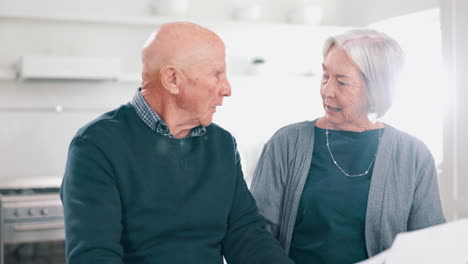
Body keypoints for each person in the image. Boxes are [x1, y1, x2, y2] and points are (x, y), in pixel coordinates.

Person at [61, 22, 294, 264]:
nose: (227, 89)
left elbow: (247, 236)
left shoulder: (222, 144)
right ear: (172, 79)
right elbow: (95, 256)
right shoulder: (96, 145)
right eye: (217, 74)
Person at [250, 28, 446, 264]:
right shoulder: (287, 143)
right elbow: (257, 235)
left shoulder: (413, 155)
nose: (327, 91)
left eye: (342, 82)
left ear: (377, 88)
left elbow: (428, 245)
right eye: (325, 77)